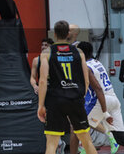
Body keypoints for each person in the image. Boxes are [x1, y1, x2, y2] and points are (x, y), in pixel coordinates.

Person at [37, 20, 97, 154]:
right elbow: (86, 79)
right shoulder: (79, 52)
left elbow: (42, 81)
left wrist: (41, 105)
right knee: (86, 141)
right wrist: (81, 96)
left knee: (51, 144)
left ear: (55, 33)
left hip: (55, 100)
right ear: (68, 33)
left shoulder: (47, 52)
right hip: (75, 99)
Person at [73, 41, 124, 153]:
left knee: (79, 122)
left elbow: (98, 89)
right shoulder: (97, 62)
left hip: (101, 100)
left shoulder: (85, 67)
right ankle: (110, 138)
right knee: (121, 137)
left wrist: (104, 111)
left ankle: (86, 148)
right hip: (114, 99)